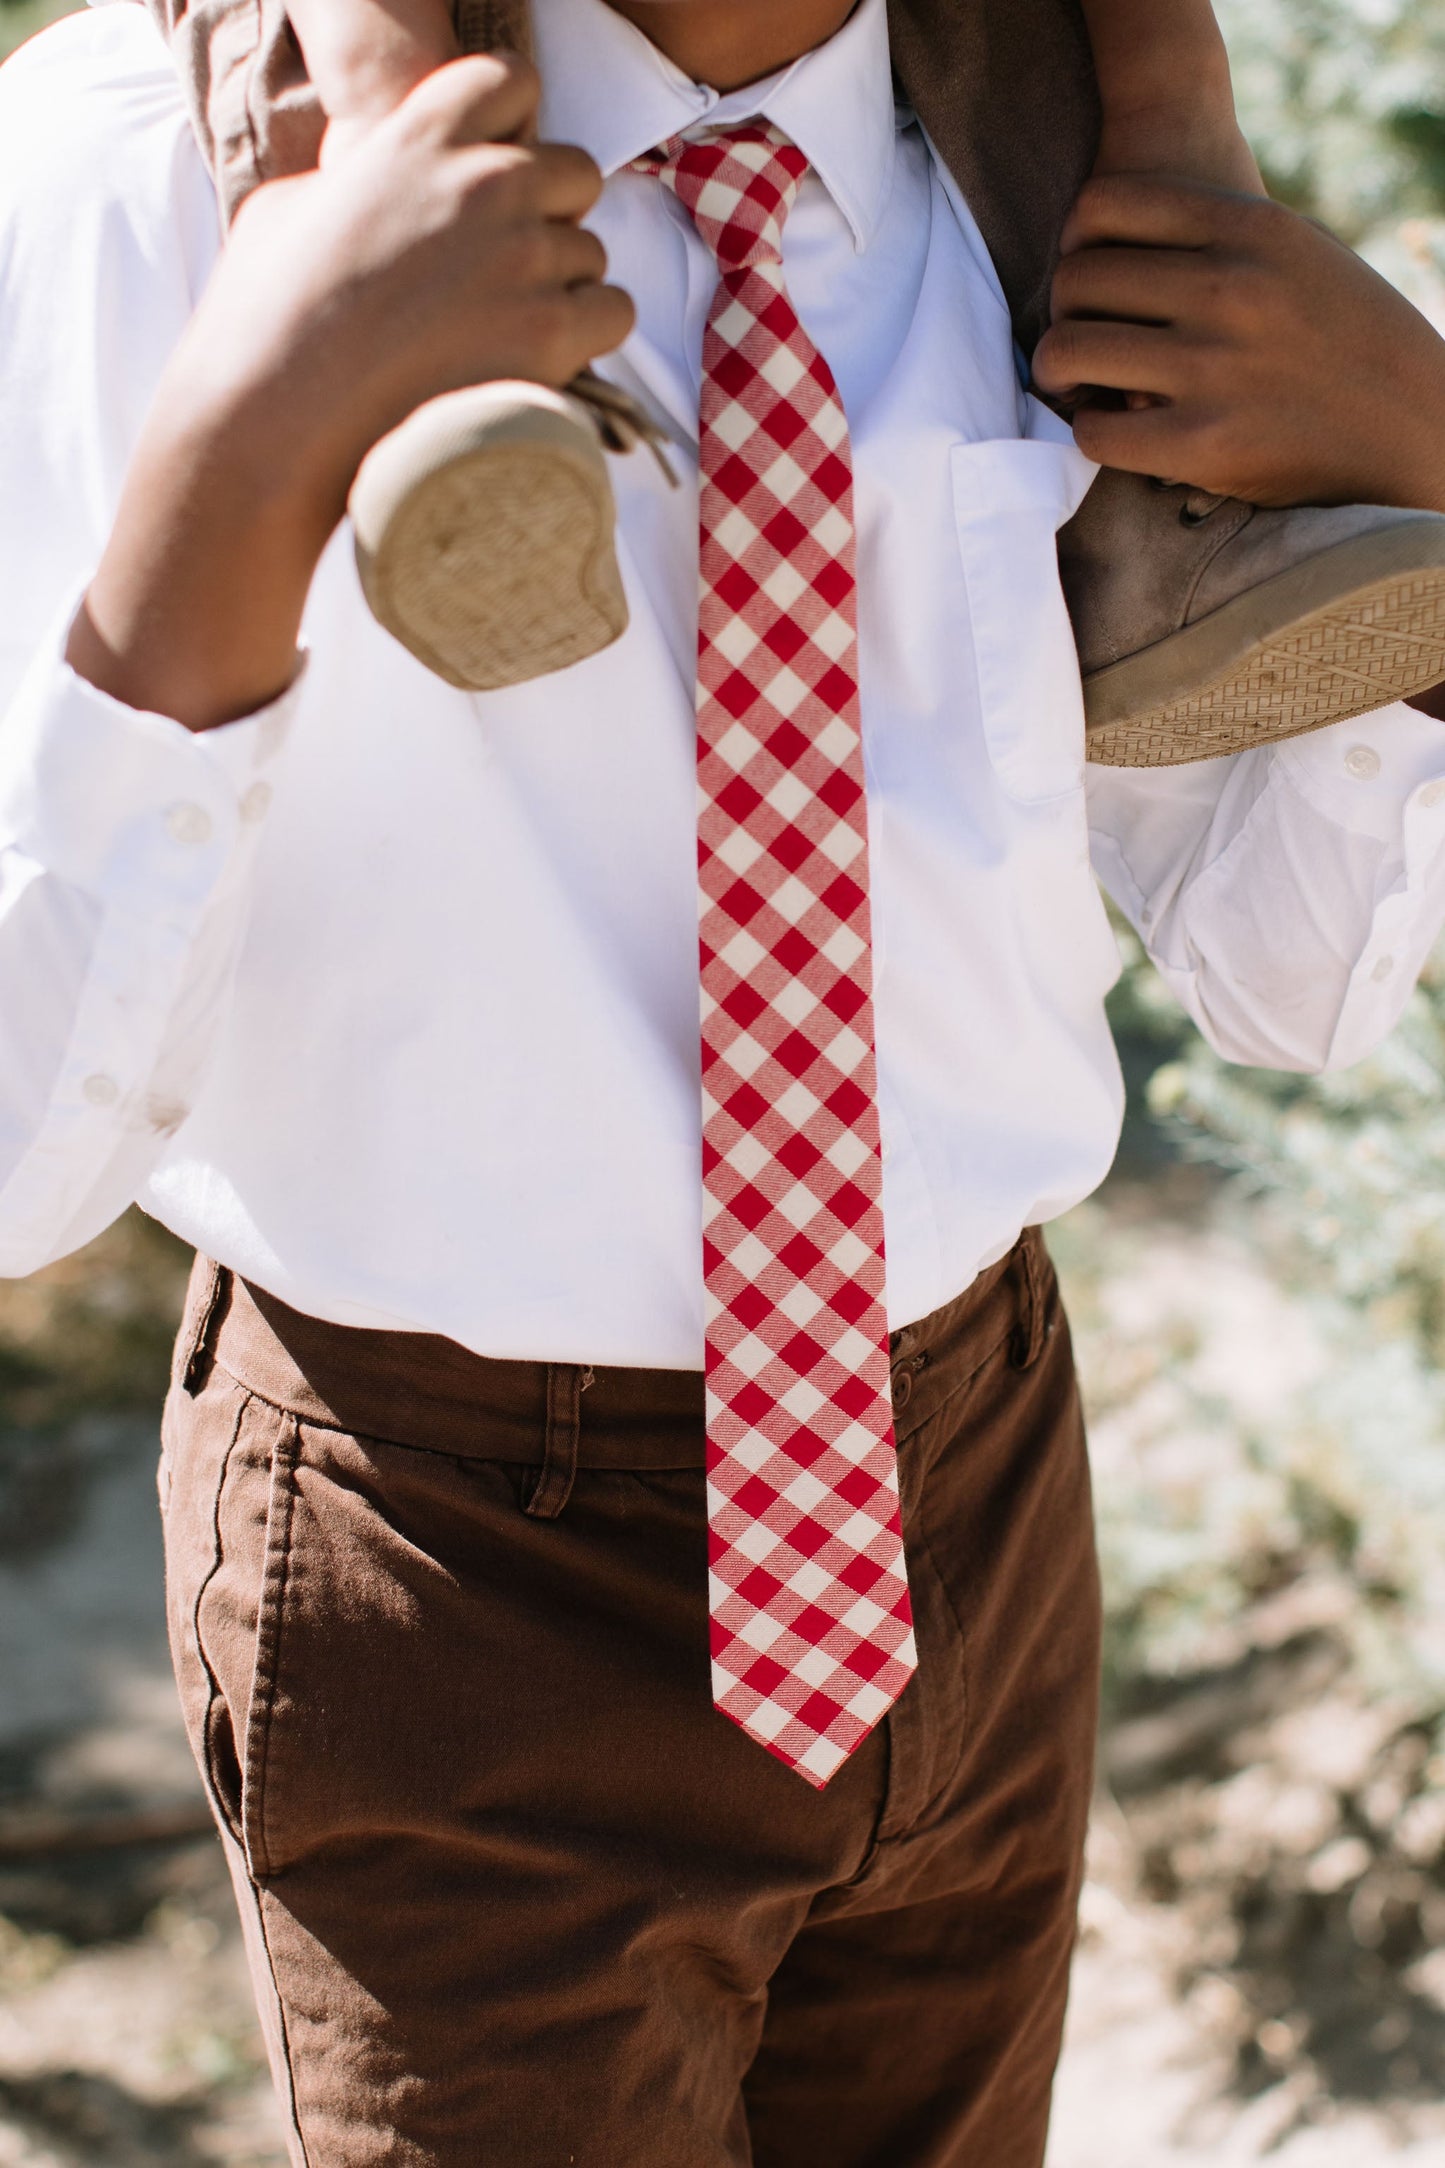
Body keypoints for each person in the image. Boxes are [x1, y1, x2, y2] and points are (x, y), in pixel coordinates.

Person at [3, 0, 1445, 2160]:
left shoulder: (1048, 159)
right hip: (456, 1580)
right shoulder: (141, 183)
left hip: (963, 1501)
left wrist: (1422, 451)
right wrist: (252, 437)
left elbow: (1294, 974)